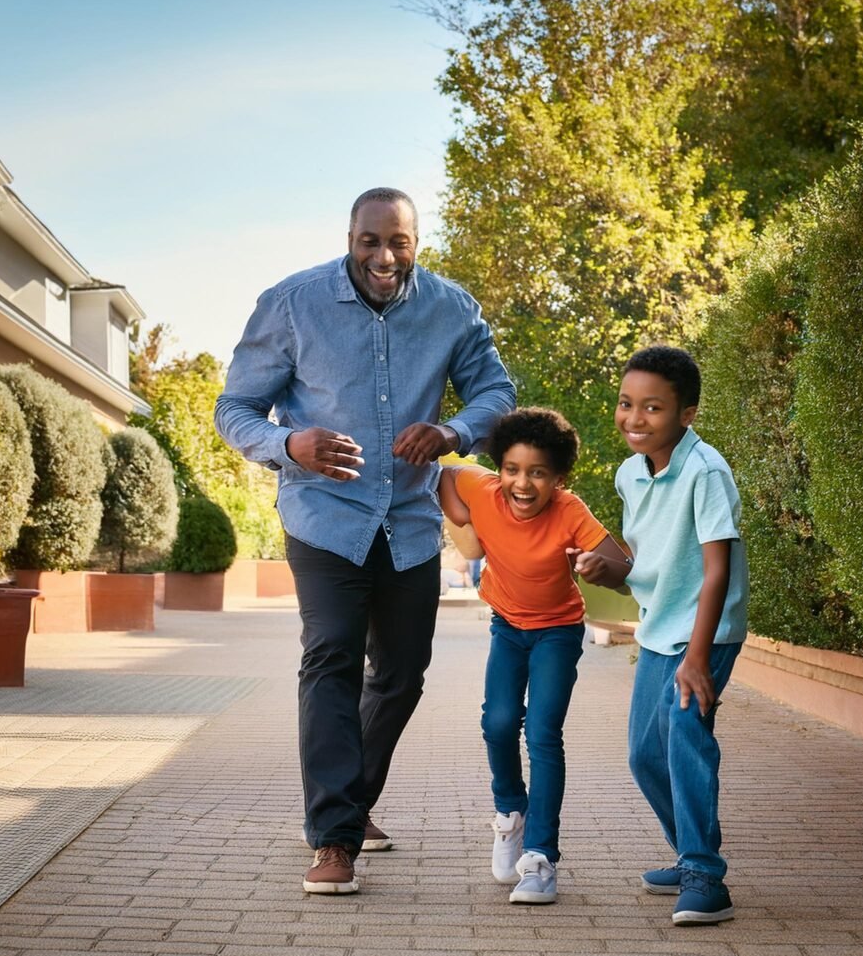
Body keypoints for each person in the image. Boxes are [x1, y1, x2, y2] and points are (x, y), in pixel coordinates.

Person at [214, 187, 515, 895]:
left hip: (408, 519)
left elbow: (495, 393)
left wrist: (451, 431)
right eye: (369, 241)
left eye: (398, 242)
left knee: (403, 671)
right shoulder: (292, 304)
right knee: (332, 658)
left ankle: (346, 802)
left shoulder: (451, 308)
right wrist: (289, 444)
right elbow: (235, 408)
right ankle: (334, 836)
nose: (384, 257)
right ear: (349, 237)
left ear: (416, 243)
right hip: (323, 515)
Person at [581, 345, 748, 925]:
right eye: (626, 403)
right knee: (644, 754)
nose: (635, 418)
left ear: (687, 414)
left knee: (684, 737)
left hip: (705, 631)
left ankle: (705, 875)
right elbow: (647, 565)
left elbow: (716, 570)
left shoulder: (706, 472)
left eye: (652, 407)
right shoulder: (630, 473)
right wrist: (610, 571)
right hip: (660, 629)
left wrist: (697, 658)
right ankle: (691, 852)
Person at [439, 407, 630, 904]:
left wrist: (599, 566)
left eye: (538, 473)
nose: (522, 483)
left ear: (559, 478)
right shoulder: (483, 489)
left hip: (558, 633)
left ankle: (540, 857)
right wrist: (462, 522)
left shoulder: (570, 511)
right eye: (512, 469)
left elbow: (621, 565)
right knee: (498, 722)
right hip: (507, 627)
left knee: (543, 733)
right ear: (500, 467)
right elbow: (447, 474)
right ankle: (510, 814)